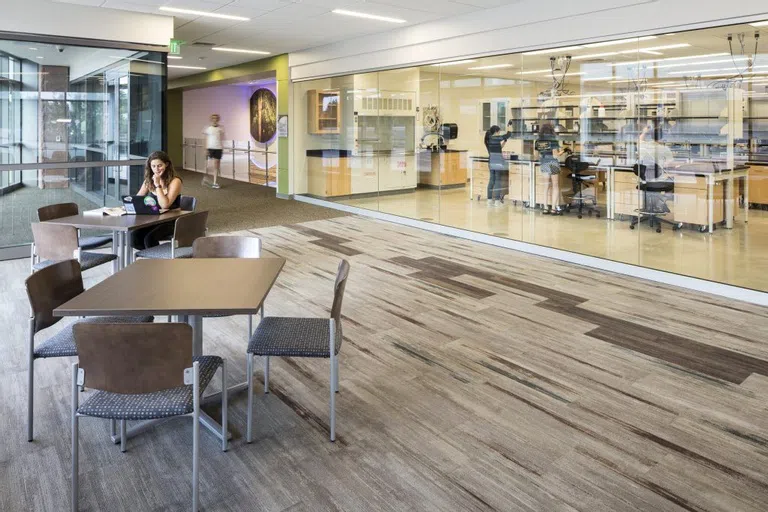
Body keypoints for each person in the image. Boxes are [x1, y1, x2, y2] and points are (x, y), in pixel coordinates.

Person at [130, 151, 183, 250]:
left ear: (166, 164)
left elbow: (165, 205)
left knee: (149, 239)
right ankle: (152, 258)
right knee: (133, 238)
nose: (156, 169)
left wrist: (157, 185)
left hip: (171, 221)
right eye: (153, 166)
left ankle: (157, 261)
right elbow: (137, 199)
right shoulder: (149, 181)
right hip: (153, 220)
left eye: (159, 166)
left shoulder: (175, 181)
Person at [535, 123, 563, 215]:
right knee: (555, 185)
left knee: (546, 186)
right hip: (553, 164)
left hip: (544, 163)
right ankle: (554, 208)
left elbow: (536, 155)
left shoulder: (538, 141)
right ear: (552, 130)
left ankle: (545, 207)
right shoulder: (553, 140)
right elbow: (555, 155)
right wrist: (562, 151)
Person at [484, 123, 513, 207]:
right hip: (497, 161)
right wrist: (509, 128)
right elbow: (507, 135)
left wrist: (504, 142)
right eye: (499, 132)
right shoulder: (495, 138)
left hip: (491, 161)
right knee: (497, 180)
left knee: (491, 180)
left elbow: (499, 147)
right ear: (496, 132)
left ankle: (489, 200)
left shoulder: (490, 139)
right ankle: (497, 201)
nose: (499, 133)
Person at [203, 114, 225, 189]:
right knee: (209, 165)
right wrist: (206, 149)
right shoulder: (208, 128)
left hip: (218, 148)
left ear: (218, 119)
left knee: (216, 166)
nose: (215, 119)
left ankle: (215, 182)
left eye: (216, 118)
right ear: (211, 119)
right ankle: (206, 179)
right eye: (213, 118)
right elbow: (206, 139)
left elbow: (222, 138)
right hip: (210, 148)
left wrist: (222, 147)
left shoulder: (221, 128)